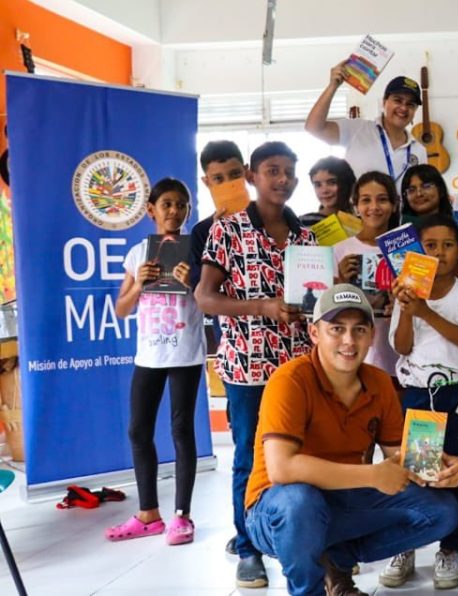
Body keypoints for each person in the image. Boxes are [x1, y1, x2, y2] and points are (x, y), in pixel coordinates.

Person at [243, 284, 458, 596]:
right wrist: (373, 475)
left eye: (359, 329)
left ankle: (336, 562)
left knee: (442, 511)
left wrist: (441, 467)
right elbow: (282, 469)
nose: (349, 341)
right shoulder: (290, 380)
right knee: (300, 502)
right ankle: (309, 589)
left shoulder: (378, 383)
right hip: (275, 508)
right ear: (315, 333)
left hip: (343, 497)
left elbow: (400, 455)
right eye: (337, 329)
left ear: (371, 335)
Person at [195, 141, 316, 589]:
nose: (281, 179)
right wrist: (262, 307)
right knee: (248, 457)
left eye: (288, 172)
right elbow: (204, 298)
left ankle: (302, 540)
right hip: (247, 368)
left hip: (299, 366)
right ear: (252, 175)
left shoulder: (306, 237)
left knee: (301, 455)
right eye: (272, 170)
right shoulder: (227, 231)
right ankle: (248, 548)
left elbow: (312, 299)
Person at [388, 213, 458, 589]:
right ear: (418, 251)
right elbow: (401, 345)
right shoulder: (407, 289)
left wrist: (424, 311)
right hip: (417, 393)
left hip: (455, 392)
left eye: (448, 245)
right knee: (414, 471)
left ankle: (451, 548)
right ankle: (406, 545)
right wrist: (408, 311)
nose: (440, 252)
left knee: (453, 474)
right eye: (430, 245)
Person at [107, 178, 205, 546]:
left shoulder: (195, 252)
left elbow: (208, 298)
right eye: (167, 204)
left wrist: (192, 279)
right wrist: (139, 284)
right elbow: (121, 308)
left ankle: (182, 516)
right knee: (138, 430)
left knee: (181, 430)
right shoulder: (138, 254)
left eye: (182, 205)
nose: (175, 211)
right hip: (149, 353)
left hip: (185, 353)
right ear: (151, 209)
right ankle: (148, 513)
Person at [306, 64, 428, 186]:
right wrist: (333, 86)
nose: (403, 108)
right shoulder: (357, 129)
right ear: (384, 102)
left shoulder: (419, 150)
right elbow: (314, 128)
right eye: (398, 100)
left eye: (410, 104)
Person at [333, 172, 401, 376]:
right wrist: (343, 281)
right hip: (354, 356)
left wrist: (399, 304)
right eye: (366, 200)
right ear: (356, 206)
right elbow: (329, 311)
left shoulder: (405, 250)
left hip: (399, 357)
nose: (374, 207)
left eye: (382, 199)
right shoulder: (340, 250)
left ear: (395, 204)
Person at [187, 140, 247, 291]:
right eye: (218, 179)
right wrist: (218, 238)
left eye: (235, 174)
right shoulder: (202, 232)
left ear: (247, 172)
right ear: (207, 182)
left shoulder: (271, 219)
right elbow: (202, 294)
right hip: (225, 313)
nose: (229, 183)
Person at [301, 156, 356, 227]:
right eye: (318, 185)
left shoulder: (363, 222)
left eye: (332, 182)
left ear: (347, 184)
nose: (324, 190)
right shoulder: (304, 222)